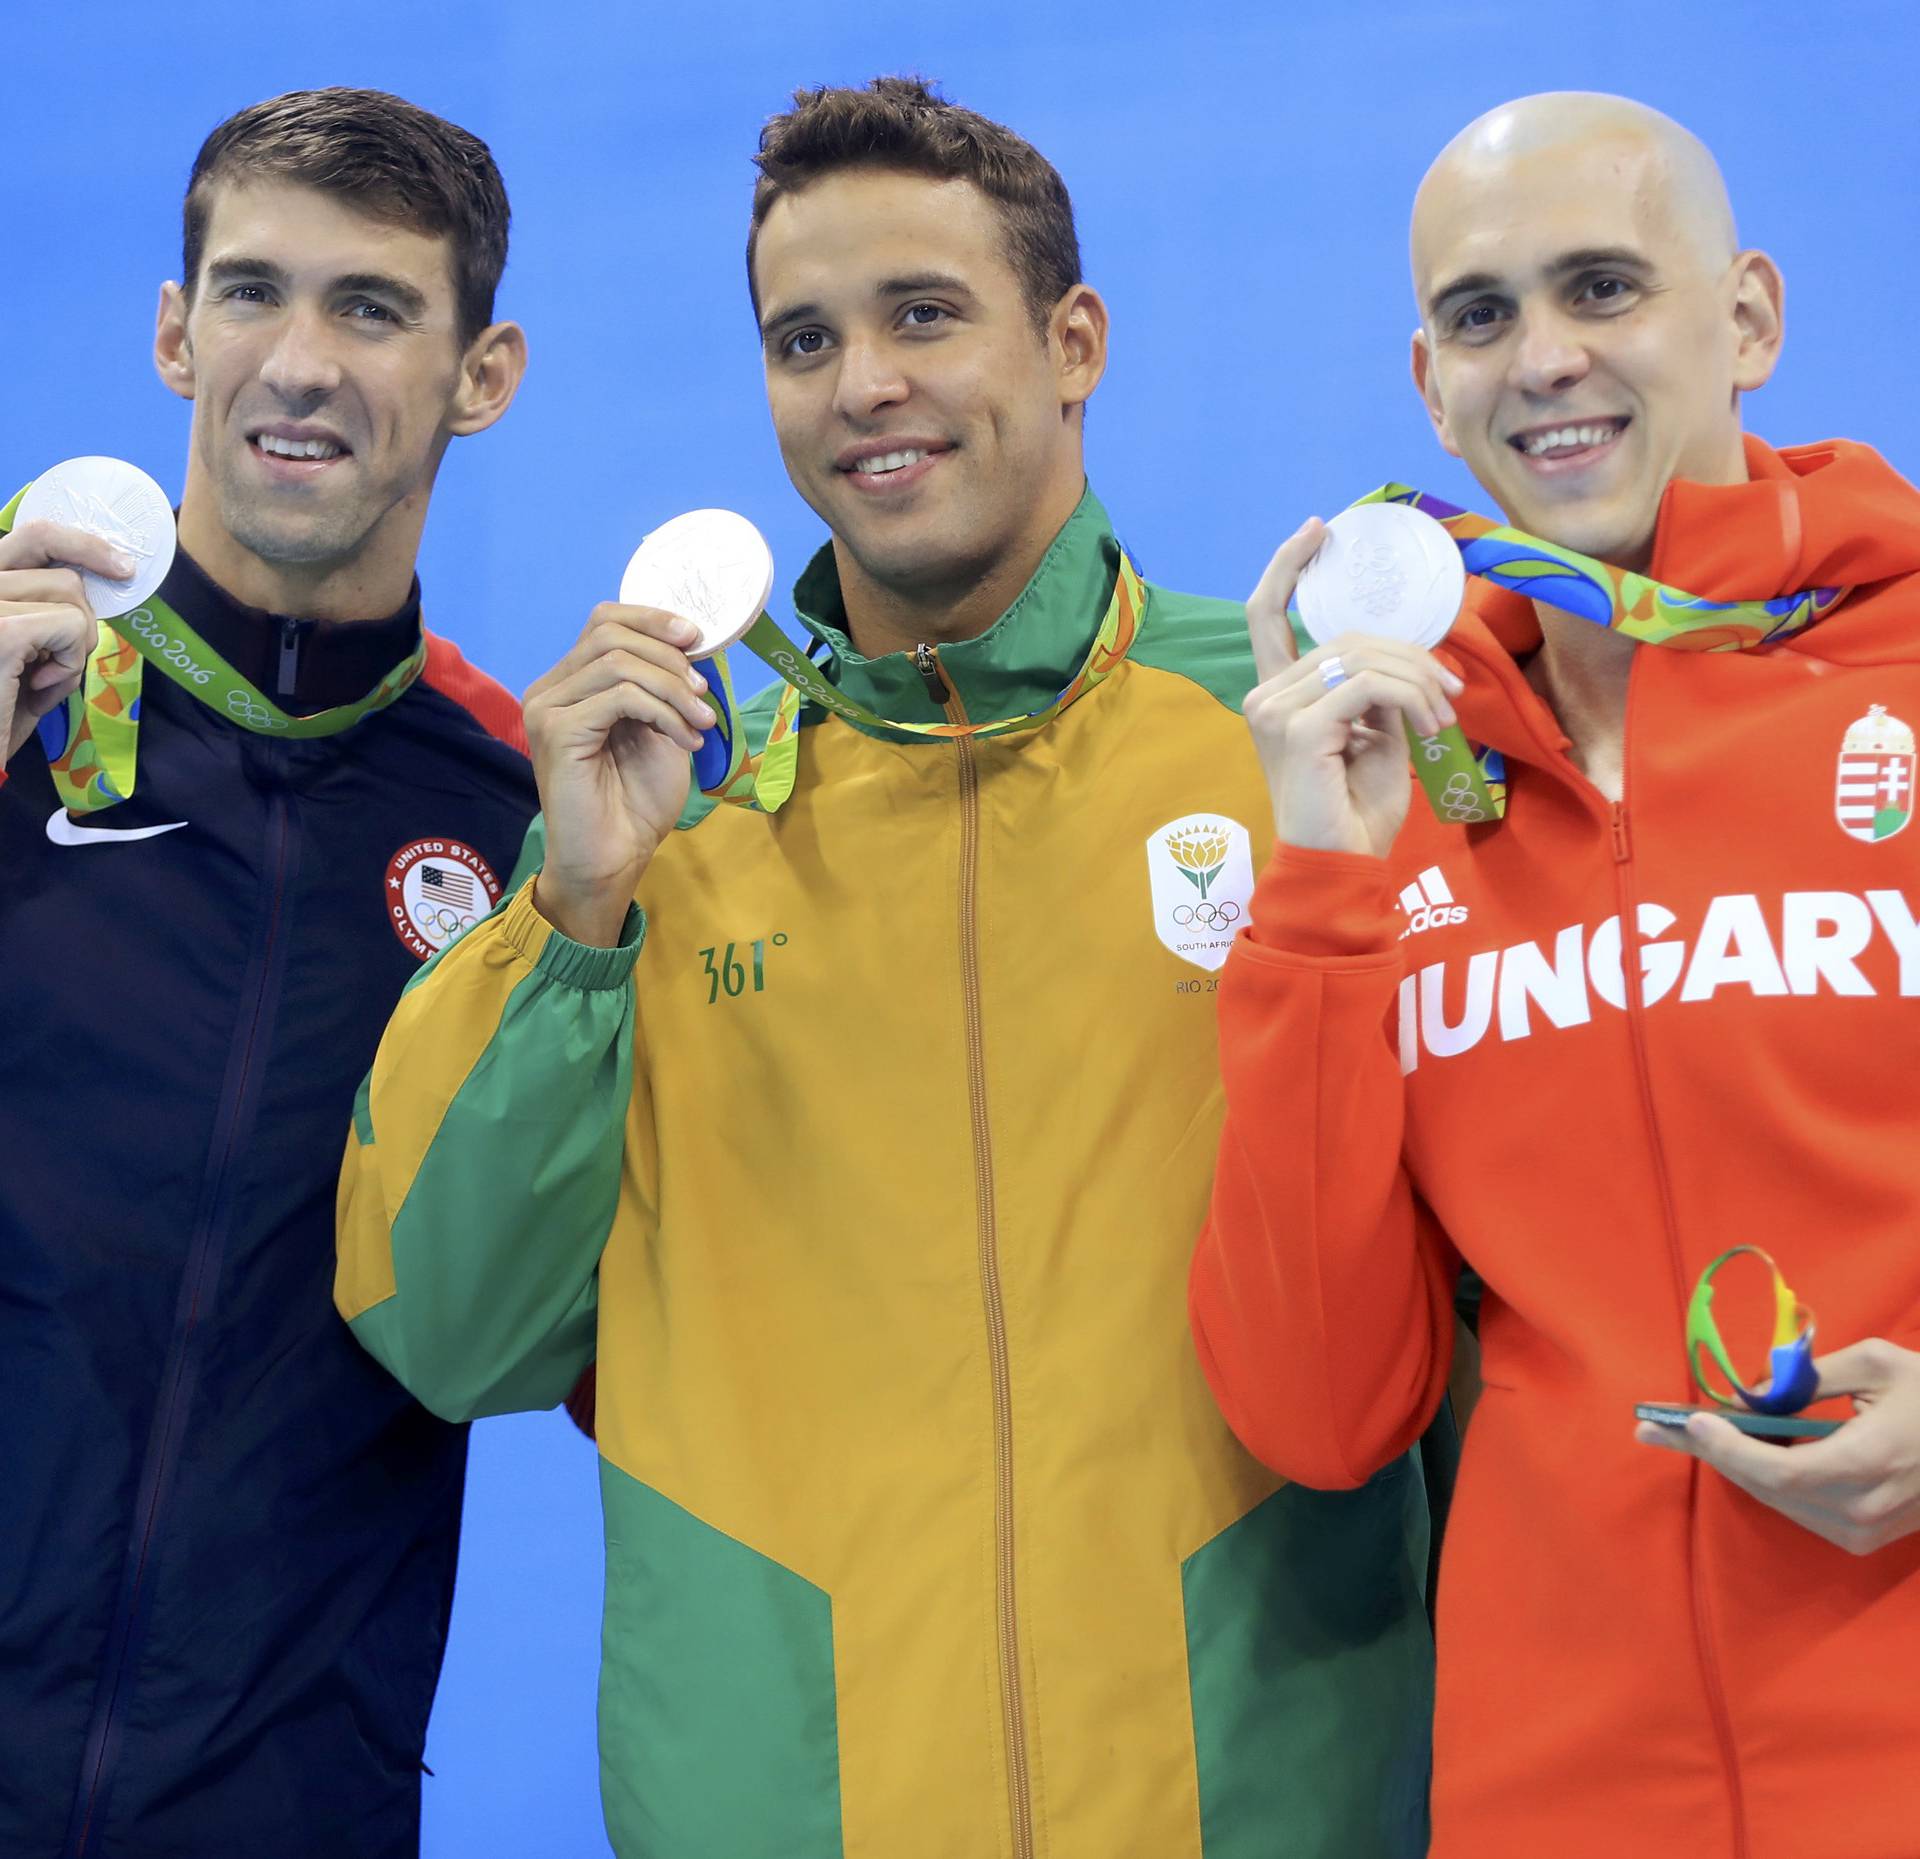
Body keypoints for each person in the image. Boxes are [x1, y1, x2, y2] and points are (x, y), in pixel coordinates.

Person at [338, 77, 1433, 1859]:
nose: (862, 386)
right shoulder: (667, 828)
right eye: (804, 338)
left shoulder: (1304, 747)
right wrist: (575, 923)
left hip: (1262, 1802)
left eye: (924, 314)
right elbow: (449, 1334)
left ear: (1072, 339)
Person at [1190, 91, 1920, 1859]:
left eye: (1604, 287)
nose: (1545, 361)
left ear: (1745, 318)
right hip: (1562, 1788)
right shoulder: (1397, 780)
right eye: (1481, 313)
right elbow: (1316, 1406)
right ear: (1427, 380)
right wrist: (1321, 893)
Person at [0, 89, 535, 1858]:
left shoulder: (525, 819)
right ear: (174, 332)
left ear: (484, 373)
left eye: (372, 308)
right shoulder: (13, 712)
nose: (299, 361)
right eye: (251, 294)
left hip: (286, 1805)